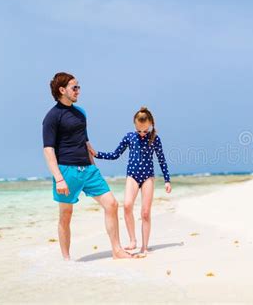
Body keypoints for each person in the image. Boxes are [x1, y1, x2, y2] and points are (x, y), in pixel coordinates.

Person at [42, 72, 133, 260]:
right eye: (74, 88)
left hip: (89, 170)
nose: (78, 91)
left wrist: (94, 166)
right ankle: (66, 259)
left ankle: (117, 250)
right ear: (62, 90)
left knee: (112, 204)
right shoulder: (52, 117)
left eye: (78, 87)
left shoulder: (81, 113)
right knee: (66, 214)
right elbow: (48, 150)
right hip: (67, 171)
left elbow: (85, 142)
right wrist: (59, 178)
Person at [93, 107, 171, 256]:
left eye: (145, 130)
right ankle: (133, 240)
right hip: (132, 176)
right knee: (127, 205)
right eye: (139, 130)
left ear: (150, 125)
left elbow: (161, 160)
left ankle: (145, 247)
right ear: (135, 125)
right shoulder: (129, 137)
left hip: (148, 177)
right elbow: (115, 154)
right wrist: (97, 154)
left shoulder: (155, 138)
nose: (142, 133)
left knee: (146, 212)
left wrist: (167, 180)